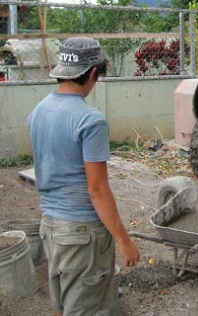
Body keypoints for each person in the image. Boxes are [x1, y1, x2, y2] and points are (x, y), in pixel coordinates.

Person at [28, 37, 140, 315]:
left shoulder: (38, 111)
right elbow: (97, 190)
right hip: (83, 235)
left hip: (51, 227)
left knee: (64, 304)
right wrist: (124, 241)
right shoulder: (90, 121)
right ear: (92, 72)